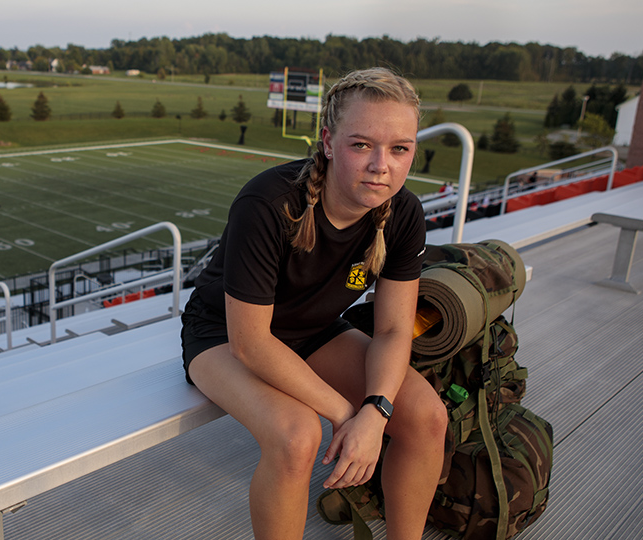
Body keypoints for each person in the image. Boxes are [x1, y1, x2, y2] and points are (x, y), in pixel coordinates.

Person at [180, 67, 447, 540]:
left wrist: (377, 410)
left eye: (399, 149)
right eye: (361, 144)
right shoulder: (268, 203)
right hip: (226, 335)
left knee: (427, 418)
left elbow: (391, 330)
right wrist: (348, 416)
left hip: (313, 329)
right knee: (298, 437)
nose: (381, 165)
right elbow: (252, 344)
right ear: (328, 141)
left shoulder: (403, 212)